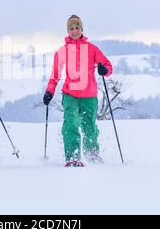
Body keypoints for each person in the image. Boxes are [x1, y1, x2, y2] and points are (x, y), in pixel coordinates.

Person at [43, 15, 112, 167]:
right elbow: (55, 74)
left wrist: (103, 69)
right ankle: (73, 156)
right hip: (70, 95)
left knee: (90, 127)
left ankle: (92, 154)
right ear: (68, 31)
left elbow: (108, 67)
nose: (74, 31)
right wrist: (49, 91)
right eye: (71, 28)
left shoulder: (92, 49)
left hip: (89, 96)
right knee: (71, 125)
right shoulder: (62, 51)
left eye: (77, 28)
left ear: (82, 29)